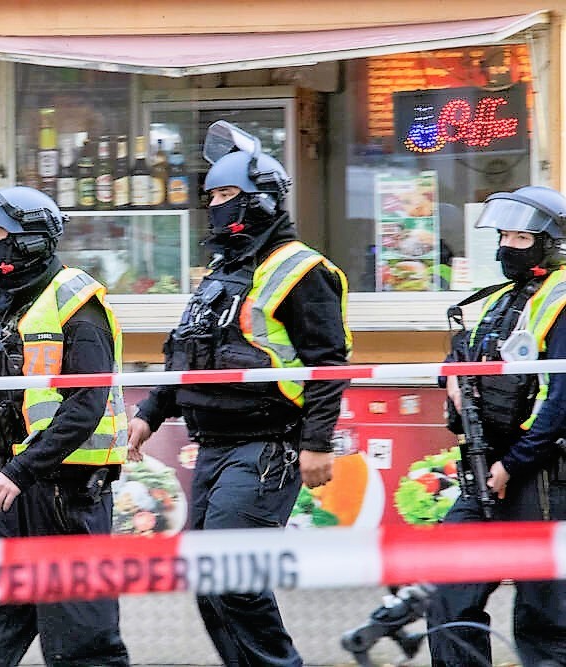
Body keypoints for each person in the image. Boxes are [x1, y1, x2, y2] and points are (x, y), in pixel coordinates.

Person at [127, 121, 351, 666]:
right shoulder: (223, 272)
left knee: (235, 580)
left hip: (267, 445)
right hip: (215, 445)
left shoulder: (302, 270)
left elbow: (329, 363)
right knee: (210, 583)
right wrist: (152, 413)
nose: (216, 206)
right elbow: (191, 353)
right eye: (212, 197)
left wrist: (318, 442)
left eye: (228, 195)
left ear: (261, 200)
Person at [0, 180, 130, 667]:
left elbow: (85, 405)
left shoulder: (75, 303)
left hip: (66, 497)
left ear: (30, 238)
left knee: (80, 650)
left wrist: (20, 471)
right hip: (10, 494)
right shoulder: (7, 308)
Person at [427, 185, 566, 667]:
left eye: (520, 238)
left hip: (543, 475)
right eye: (503, 235)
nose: (506, 246)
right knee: (448, 595)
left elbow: (561, 402)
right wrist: (450, 379)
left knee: (545, 621)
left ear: (552, 243)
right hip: (486, 470)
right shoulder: (498, 300)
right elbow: (462, 357)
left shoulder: (562, 300)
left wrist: (514, 463)